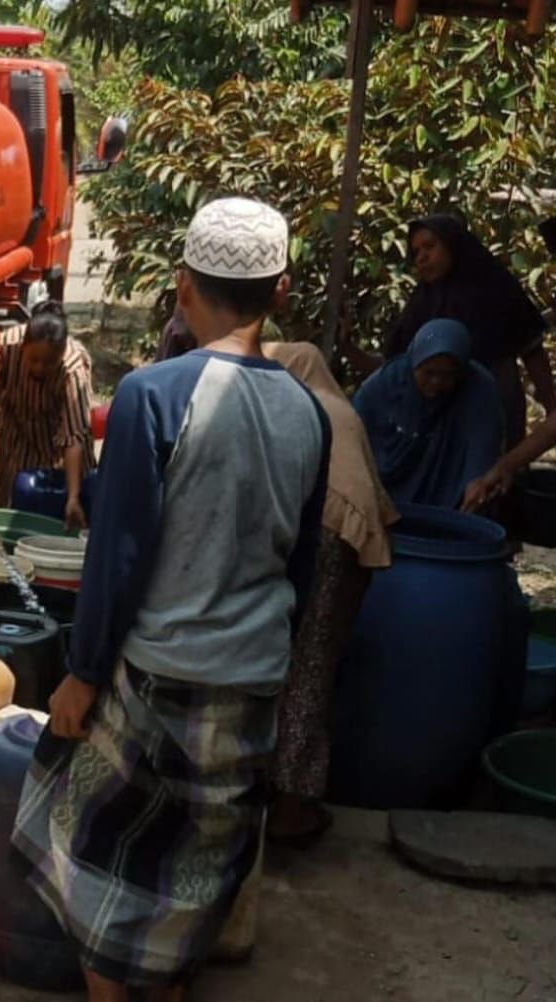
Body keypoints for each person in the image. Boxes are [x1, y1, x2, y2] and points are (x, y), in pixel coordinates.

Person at [12, 197, 329, 1002]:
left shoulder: (153, 395)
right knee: (195, 872)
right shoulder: (309, 412)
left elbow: (118, 554)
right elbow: (303, 564)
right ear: (281, 291)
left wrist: (83, 672)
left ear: (182, 286)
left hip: (156, 680)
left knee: (86, 844)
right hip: (250, 682)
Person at [262, 341, 398, 847]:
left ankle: (285, 806)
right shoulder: (340, 408)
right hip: (343, 546)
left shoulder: (299, 409)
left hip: (322, 543)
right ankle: (291, 799)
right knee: (314, 668)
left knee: (301, 672)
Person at [340, 215, 555, 448]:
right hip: (436, 426)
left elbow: (532, 351)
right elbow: (396, 369)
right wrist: (348, 349)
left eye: (429, 246)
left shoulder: (494, 287)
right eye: (416, 252)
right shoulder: (421, 306)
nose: (422, 257)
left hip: (494, 419)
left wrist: (551, 410)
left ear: (452, 245)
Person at [0, 301, 95, 528]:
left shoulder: (73, 370)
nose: (40, 368)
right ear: (23, 346)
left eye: (49, 363)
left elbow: (74, 437)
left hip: (61, 451)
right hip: (18, 438)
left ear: (62, 352)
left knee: (57, 518)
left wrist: (73, 496)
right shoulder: (7, 344)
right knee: (9, 510)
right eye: (33, 360)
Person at [353, 318, 503, 510]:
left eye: (447, 375)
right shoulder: (387, 383)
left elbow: (481, 453)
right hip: (382, 493)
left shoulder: (479, 389)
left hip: (448, 494)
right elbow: (351, 435)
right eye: (429, 373)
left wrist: (476, 488)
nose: (436, 382)